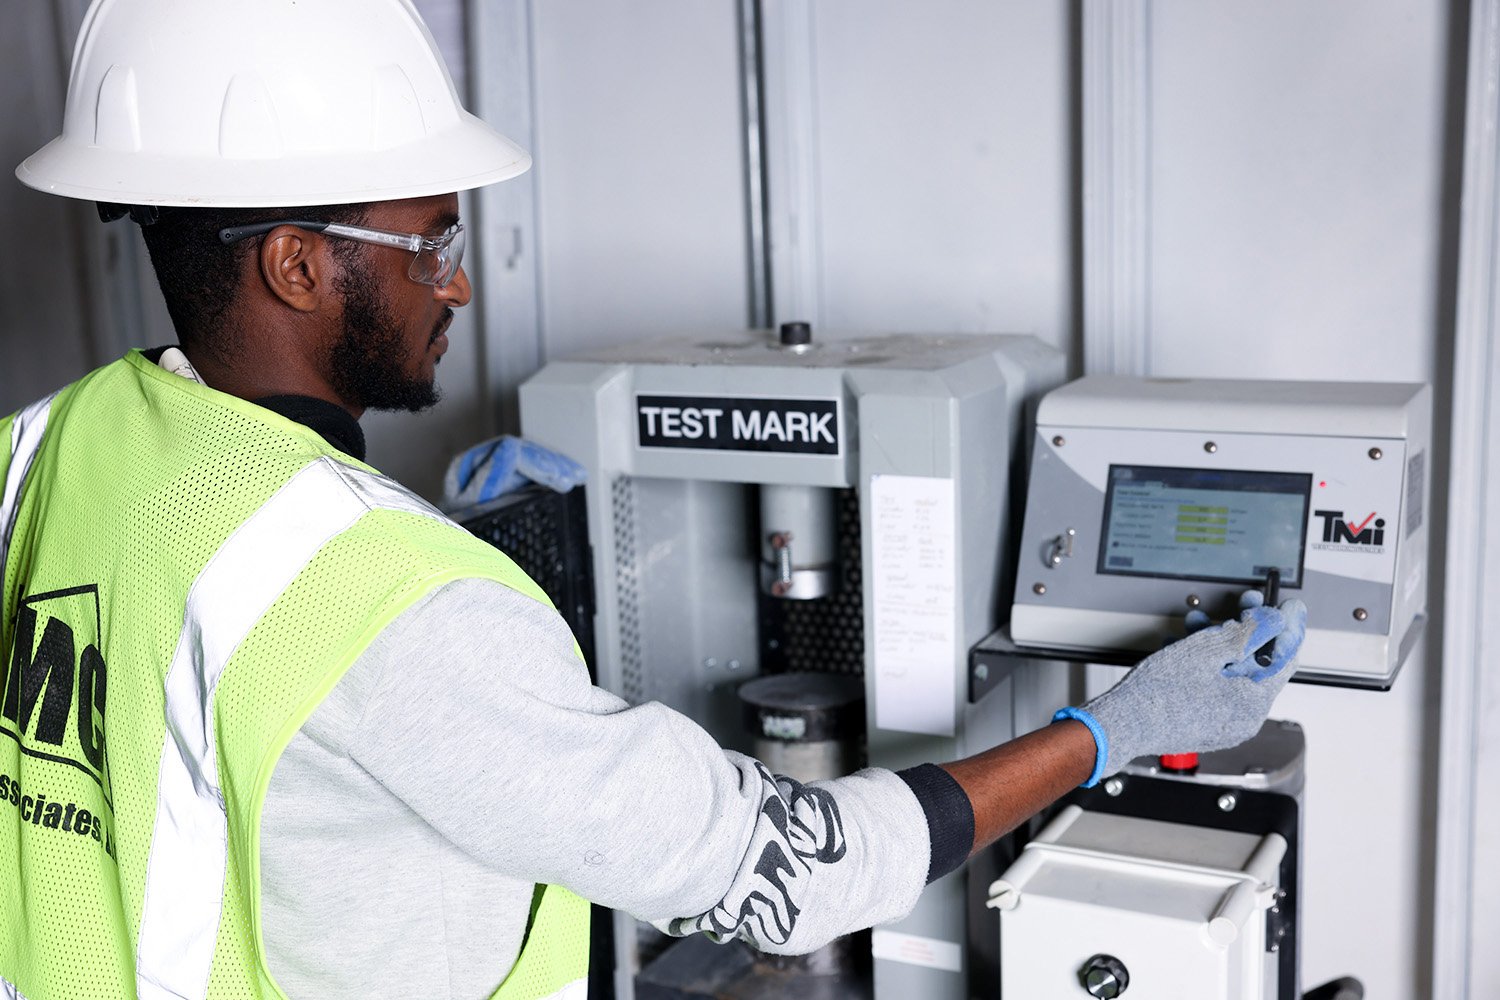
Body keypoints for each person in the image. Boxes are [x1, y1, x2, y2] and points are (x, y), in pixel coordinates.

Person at [1, 2, 1306, 998]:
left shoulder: (39, 456)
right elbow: (805, 874)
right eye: (433, 241)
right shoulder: (397, 608)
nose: (456, 285)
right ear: (294, 263)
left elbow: (198, 680)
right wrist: (1117, 725)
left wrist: (424, 567)